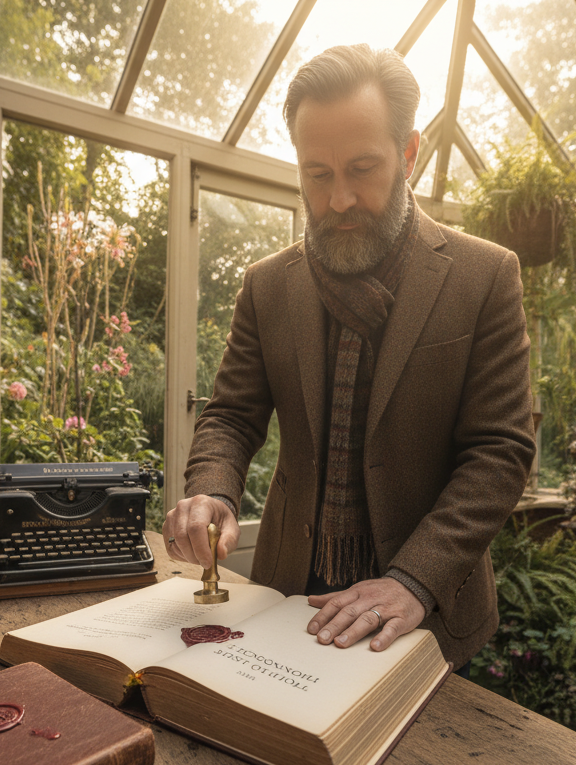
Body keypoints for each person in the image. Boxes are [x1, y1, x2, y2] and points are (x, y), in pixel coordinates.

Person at [162, 43, 535, 671]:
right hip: (290, 596)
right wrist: (212, 492)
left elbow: (500, 449)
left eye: (362, 167)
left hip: (426, 613)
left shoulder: (485, 276)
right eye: (317, 173)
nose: (338, 200)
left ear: (409, 152)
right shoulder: (267, 285)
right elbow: (231, 415)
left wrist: (414, 579)